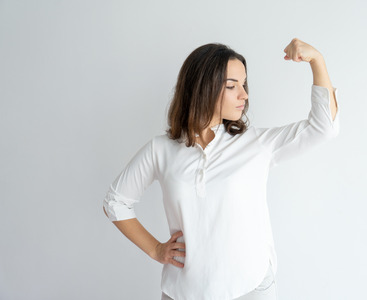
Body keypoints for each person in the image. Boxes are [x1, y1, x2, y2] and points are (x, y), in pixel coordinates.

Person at [103, 37, 340, 300]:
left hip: (250, 288)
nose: (244, 94)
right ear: (203, 88)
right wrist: (155, 249)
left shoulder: (256, 144)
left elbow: (324, 128)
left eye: (244, 84)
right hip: (182, 292)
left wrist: (317, 60)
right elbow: (116, 201)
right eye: (232, 86)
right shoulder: (160, 150)